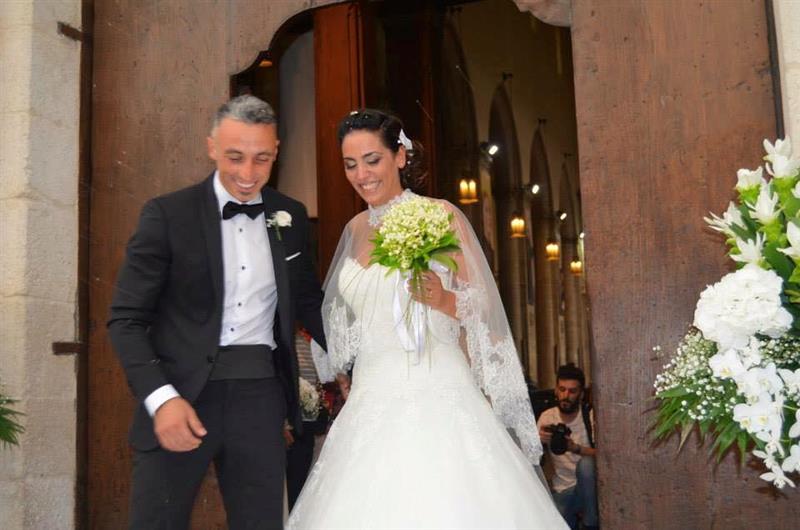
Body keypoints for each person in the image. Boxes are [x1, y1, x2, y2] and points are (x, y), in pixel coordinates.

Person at [286, 109, 568, 529]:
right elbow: (343, 321)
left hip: (437, 384)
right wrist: (342, 367)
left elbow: (483, 307)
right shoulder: (355, 229)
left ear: (400, 156)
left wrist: (444, 299)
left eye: (372, 160)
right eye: (350, 164)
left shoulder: (441, 216)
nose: (361, 174)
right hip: (370, 396)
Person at [107, 95, 326, 530]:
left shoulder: (291, 215)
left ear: (276, 150)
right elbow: (126, 319)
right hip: (180, 394)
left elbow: (308, 302)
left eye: (261, 159)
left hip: (260, 397)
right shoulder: (167, 214)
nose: (248, 174)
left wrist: (362, 360)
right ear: (211, 147)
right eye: (235, 157)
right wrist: (162, 399)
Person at [537, 364, 598, 530]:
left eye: (572, 391)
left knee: (586, 464)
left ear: (581, 394)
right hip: (563, 490)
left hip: (591, 488)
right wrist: (538, 443)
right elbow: (533, 461)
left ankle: (590, 525)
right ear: (556, 390)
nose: (566, 396)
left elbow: (604, 457)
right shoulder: (547, 417)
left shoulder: (590, 416)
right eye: (562, 389)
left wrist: (575, 448)